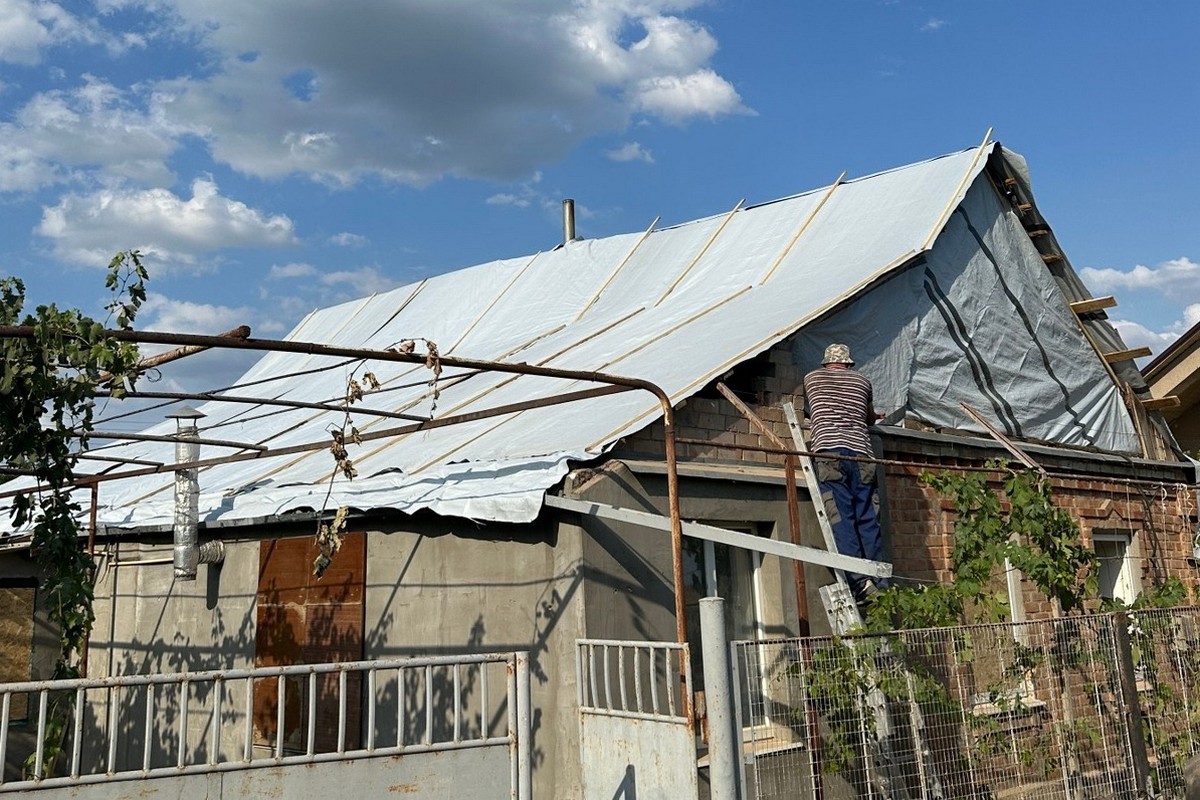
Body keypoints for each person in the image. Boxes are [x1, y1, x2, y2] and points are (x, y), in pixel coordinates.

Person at [802, 343, 891, 603]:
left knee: (842, 517)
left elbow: (810, 414)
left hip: (829, 453)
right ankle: (879, 581)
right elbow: (869, 418)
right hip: (862, 455)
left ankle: (860, 583)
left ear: (825, 363)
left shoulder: (812, 378)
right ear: (849, 363)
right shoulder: (863, 381)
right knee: (867, 517)